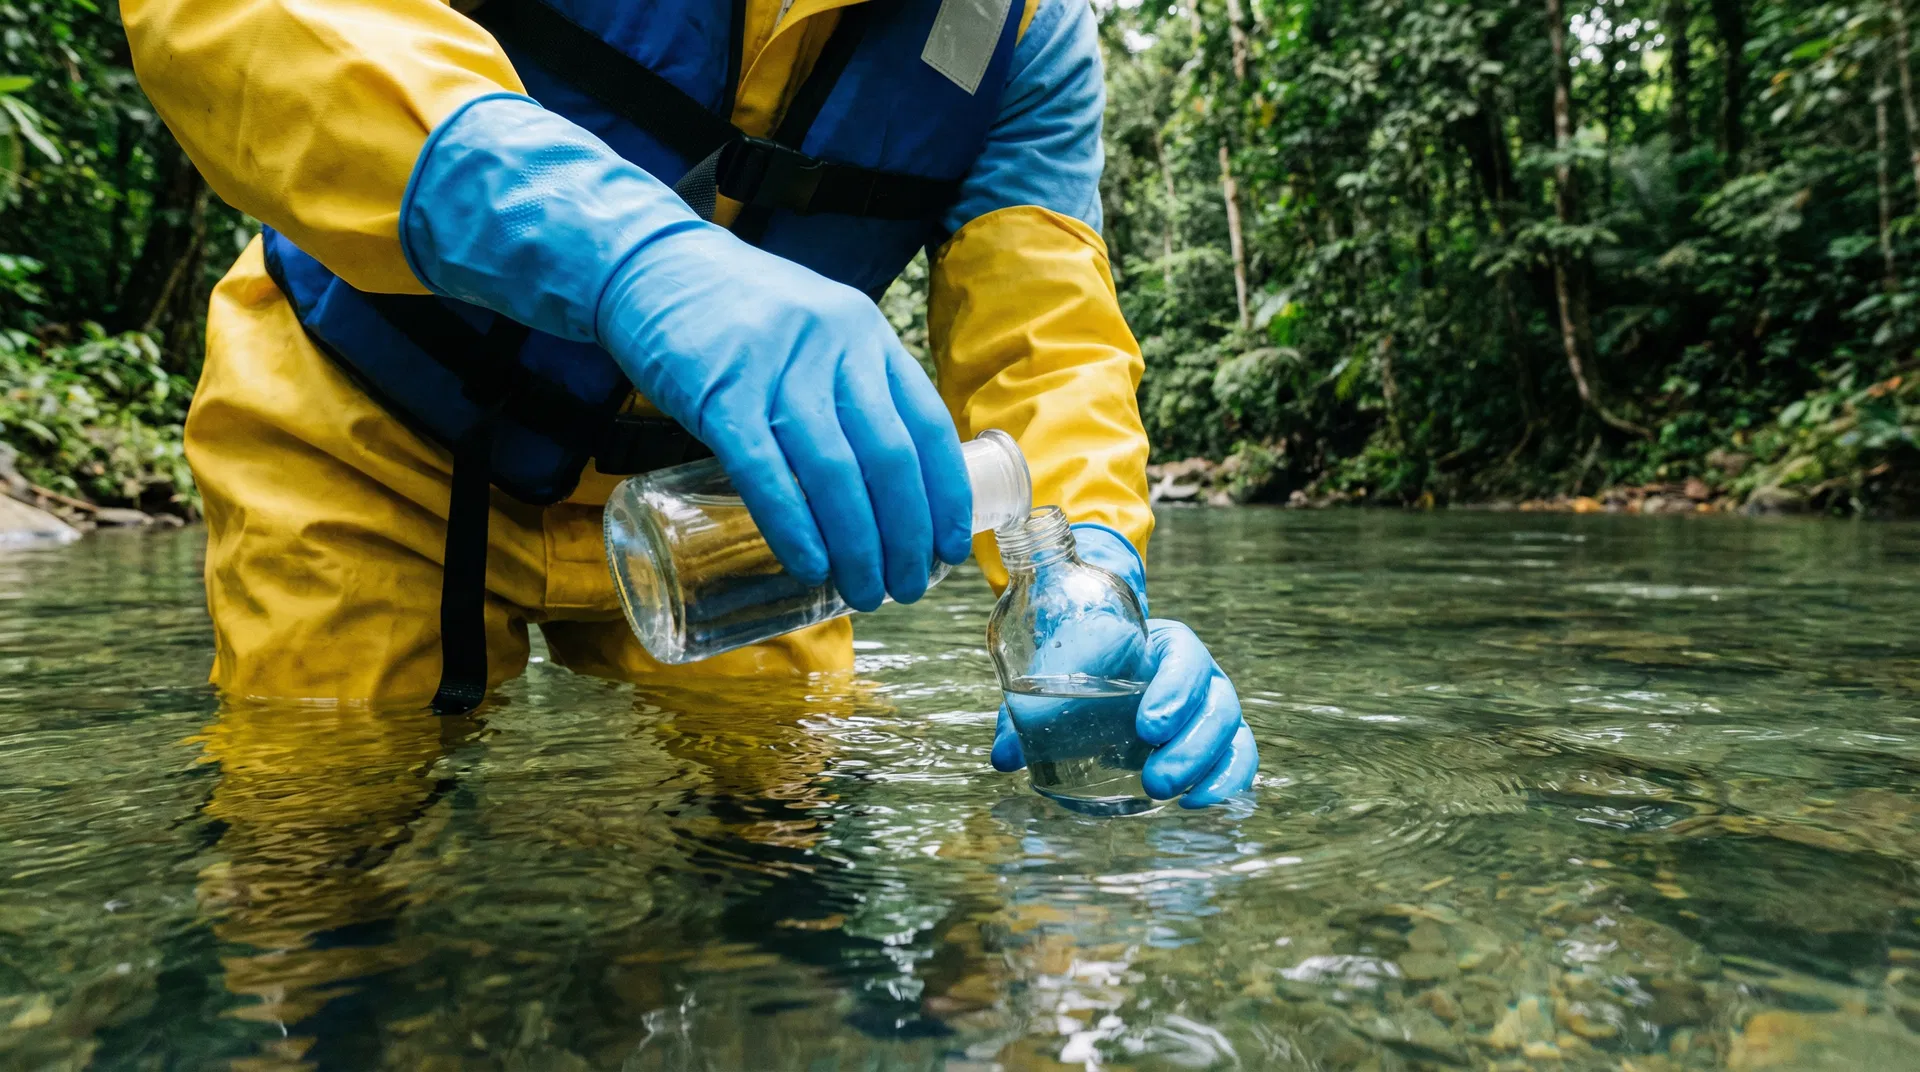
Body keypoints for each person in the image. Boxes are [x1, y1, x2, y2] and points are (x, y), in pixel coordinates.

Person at [122, 0, 1257, 806]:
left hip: (738, 510)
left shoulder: (1027, 38)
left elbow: (1046, 348)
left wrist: (1087, 580)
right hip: (371, 427)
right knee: (314, 844)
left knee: (786, 847)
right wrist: (632, 257)